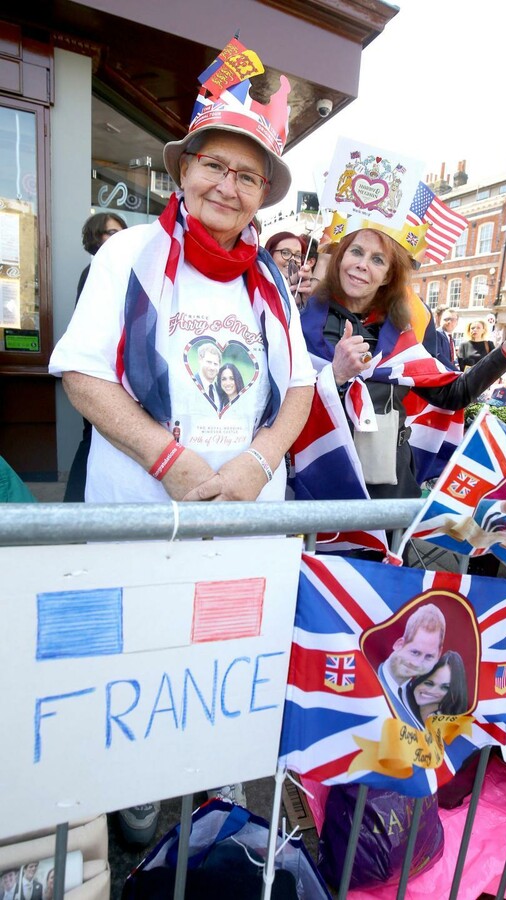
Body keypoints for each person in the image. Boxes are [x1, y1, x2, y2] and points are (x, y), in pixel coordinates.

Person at [49, 62, 314, 837]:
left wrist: (255, 465)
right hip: (141, 517)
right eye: (214, 166)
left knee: (219, 663)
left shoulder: (270, 281)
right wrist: (176, 464)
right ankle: (132, 788)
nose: (227, 187)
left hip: (240, 525)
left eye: (247, 176)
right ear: (185, 170)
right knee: (135, 660)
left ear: (263, 195)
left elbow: (298, 390)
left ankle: (211, 785)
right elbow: (83, 375)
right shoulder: (128, 251)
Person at [298, 228, 506, 502]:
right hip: (317, 487)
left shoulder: (398, 336)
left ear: (387, 278)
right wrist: (334, 376)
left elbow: (453, 393)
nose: (363, 264)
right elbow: (278, 405)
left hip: (386, 492)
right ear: (340, 258)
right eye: (357, 252)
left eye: (378, 260)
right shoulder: (300, 324)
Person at [63, 212, 128, 503]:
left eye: (121, 232)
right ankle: (75, 509)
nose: (118, 238)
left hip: (109, 373)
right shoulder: (95, 272)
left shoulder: (116, 268)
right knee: (93, 439)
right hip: (99, 375)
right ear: (95, 237)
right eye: (110, 233)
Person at [377, 604, 446, 720]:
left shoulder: (419, 704)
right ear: (399, 644)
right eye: (415, 652)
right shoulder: (367, 683)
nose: (417, 663)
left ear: (438, 655)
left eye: (429, 656)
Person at [405, 651, 468, 725]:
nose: (433, 691)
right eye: (428, 683)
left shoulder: (451, 727)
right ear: (418, 678)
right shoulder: (396, 704)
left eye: (444, 687)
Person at [264, 231, 316, 307]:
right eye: (285, 253)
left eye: (298, 255)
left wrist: (306, 302)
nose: (293, 259)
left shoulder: (303, 291)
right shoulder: (256, 288)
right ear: (269, 254)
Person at [193, 343, 222, 408]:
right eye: (209, 362)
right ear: (200, 360)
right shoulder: (191, 385)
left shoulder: (220, 390)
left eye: (215, 364)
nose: (212, 368)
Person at [434, 305, 459, 370]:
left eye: (453, 319)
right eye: (446, 319)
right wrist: (456, 371)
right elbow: (439, 356)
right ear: (440, 320)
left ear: (457, 322)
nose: (449, 322)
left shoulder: (451, 339)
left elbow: (453, 359)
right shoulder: (436, 334)